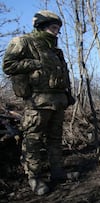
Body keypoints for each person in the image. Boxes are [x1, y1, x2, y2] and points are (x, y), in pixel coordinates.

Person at [2, 10, 77, 195]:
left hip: (58, 101)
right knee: (33, 140)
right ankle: (34, 178)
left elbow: (63, 75)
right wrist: (34, 64)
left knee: (55, 139)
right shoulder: (24, 41)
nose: (57, 32)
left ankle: (57, 172)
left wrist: (68, 95)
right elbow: (8, 65)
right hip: (37, 102)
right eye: (54, 27)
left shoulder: (55, 50)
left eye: (58, 28)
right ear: (42, 25)